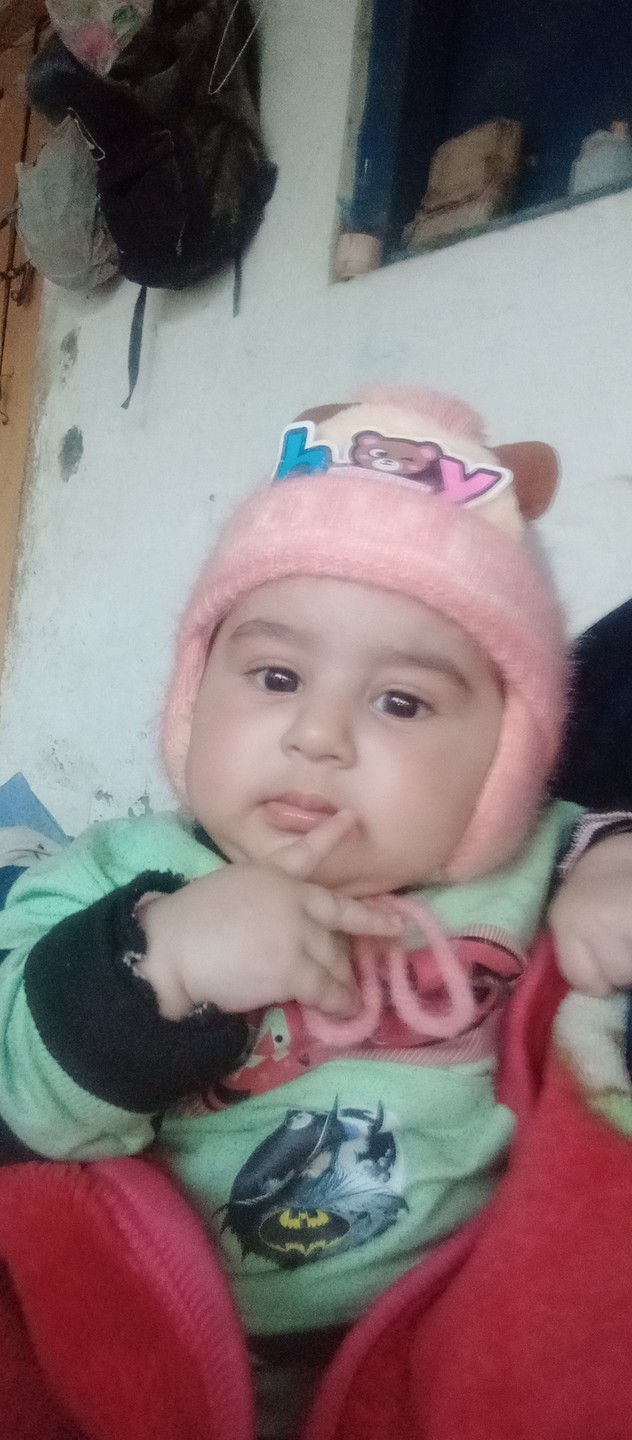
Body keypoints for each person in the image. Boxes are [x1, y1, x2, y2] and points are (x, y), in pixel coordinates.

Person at [0, 384, 631, 1437]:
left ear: (504, 761)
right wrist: (159, 965)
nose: (318, 736)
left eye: (400, 701)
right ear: (194, 698)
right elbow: (17, 1103)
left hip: (432, 1344)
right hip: (157, 1342)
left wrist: (614, 861)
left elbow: (587, 833)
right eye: (276, 676)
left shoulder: (529, 862)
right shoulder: (114, 876)